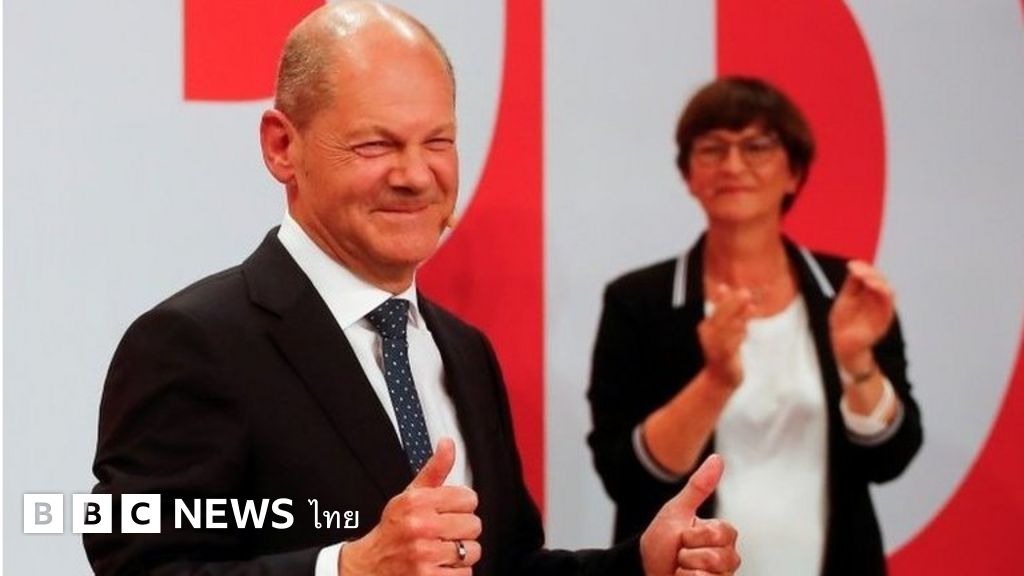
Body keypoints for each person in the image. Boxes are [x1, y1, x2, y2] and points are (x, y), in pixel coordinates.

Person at [85, 3, 740, 575]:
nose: (416, 175)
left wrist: (641, 564)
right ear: (282, 146)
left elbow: (505, 566)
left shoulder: (463, 350)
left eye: (438, 142)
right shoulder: (193, 343)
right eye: (376, 144)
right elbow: (140, 566)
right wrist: (347, 568)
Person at [587, 76, 922, 576]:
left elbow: (892, 457)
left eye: (757, 147)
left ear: (794, 172)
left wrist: (857, 364)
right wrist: (715, 380)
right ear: (688, 175)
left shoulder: (846, 291)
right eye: (712, 148)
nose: (733, 165)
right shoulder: (641, 301)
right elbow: (627, 476)